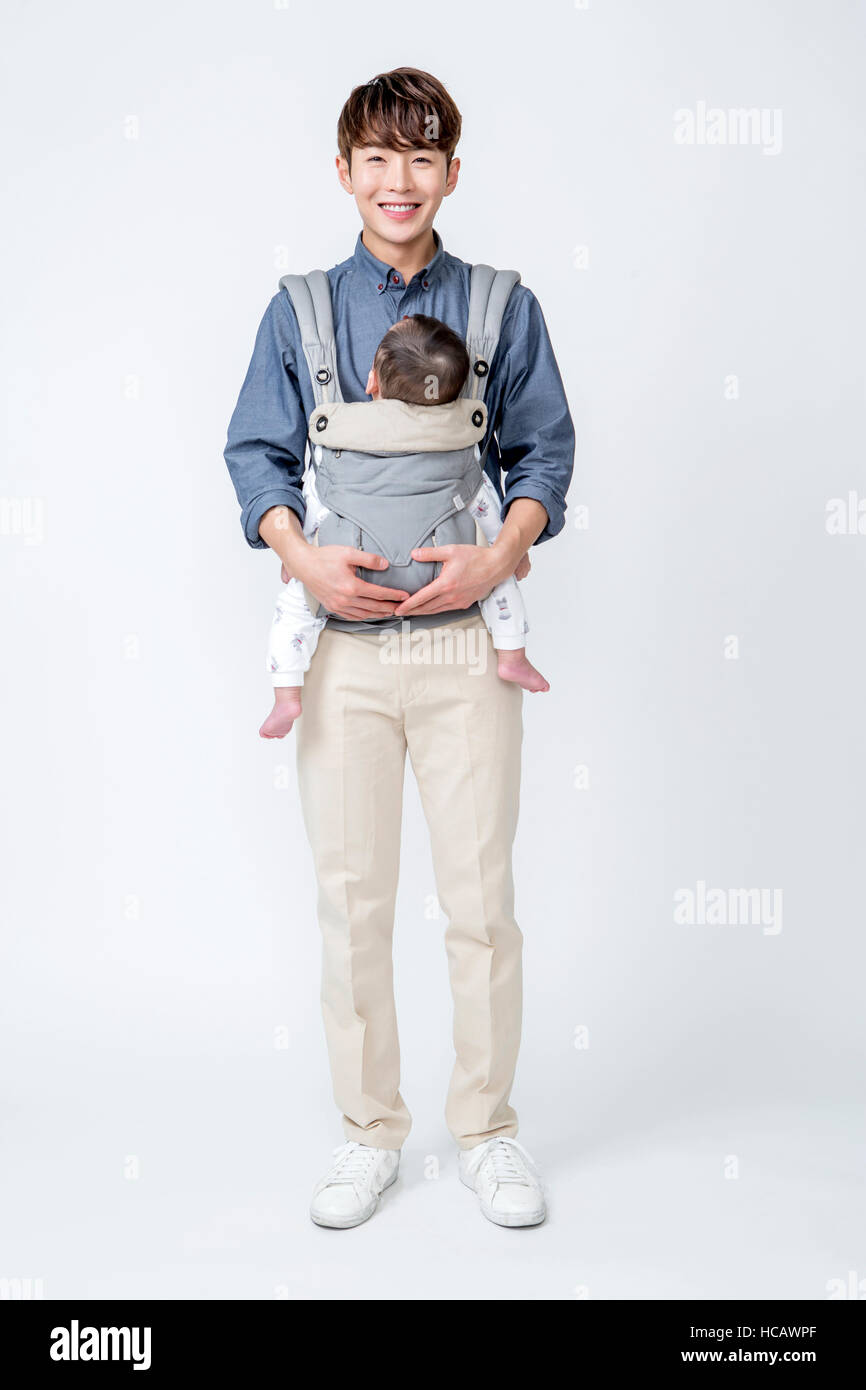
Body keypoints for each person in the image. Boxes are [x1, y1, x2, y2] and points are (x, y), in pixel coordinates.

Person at [224, 67, 575, 1229]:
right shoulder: (301, 309)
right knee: (350, 898)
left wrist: (500, 557)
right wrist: (301, 560)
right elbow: (257, 457)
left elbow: (543, 457)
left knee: (480, 900)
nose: (398, 179)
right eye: (376, 157)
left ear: (451, 173)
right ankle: (369, 1130)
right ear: (345, 172)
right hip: (342, 654)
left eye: (421, 156)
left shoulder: (498, 307)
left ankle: (485, 1128)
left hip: (468, 650)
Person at [260, 312, 549, 741]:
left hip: (353, 585)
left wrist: (296, 553)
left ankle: (286, 694)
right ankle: (512, 654)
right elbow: (489, 508)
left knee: (294, 612)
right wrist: (507, 551)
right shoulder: (462, 450)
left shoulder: (339, 441)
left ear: (371, 383)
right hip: (450, 591)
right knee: (501, 583)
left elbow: (316, 499)